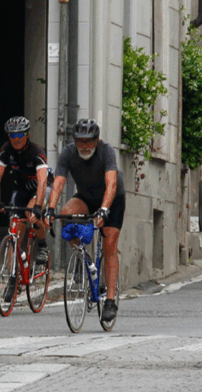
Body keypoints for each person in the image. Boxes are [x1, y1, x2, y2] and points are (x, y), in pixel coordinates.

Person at [46, 118, 125, 323]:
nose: (85, 146)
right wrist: (50, 210)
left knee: (109, 243)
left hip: (112, 200)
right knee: (67, 212)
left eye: (89, 141)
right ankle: (82, 259)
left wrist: (104, 209)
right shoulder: (68, 153)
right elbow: (58, 183)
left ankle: (109, 301)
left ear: (97, 140)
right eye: (81, 142)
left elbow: (111, 183)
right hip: (86, 198)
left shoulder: (106, 152)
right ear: (75, 141)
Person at [0, 116, 52, 266]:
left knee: (31, 213)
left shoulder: (36, 151)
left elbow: (43, 181)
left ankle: (42, 245)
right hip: (21, 188)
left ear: (27, 135)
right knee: (15, 230)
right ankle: (13, 276)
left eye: (20, 135)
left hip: (41, 186)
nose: (16, 139)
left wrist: (38, 206)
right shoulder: (6, 150)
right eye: (12, 135)